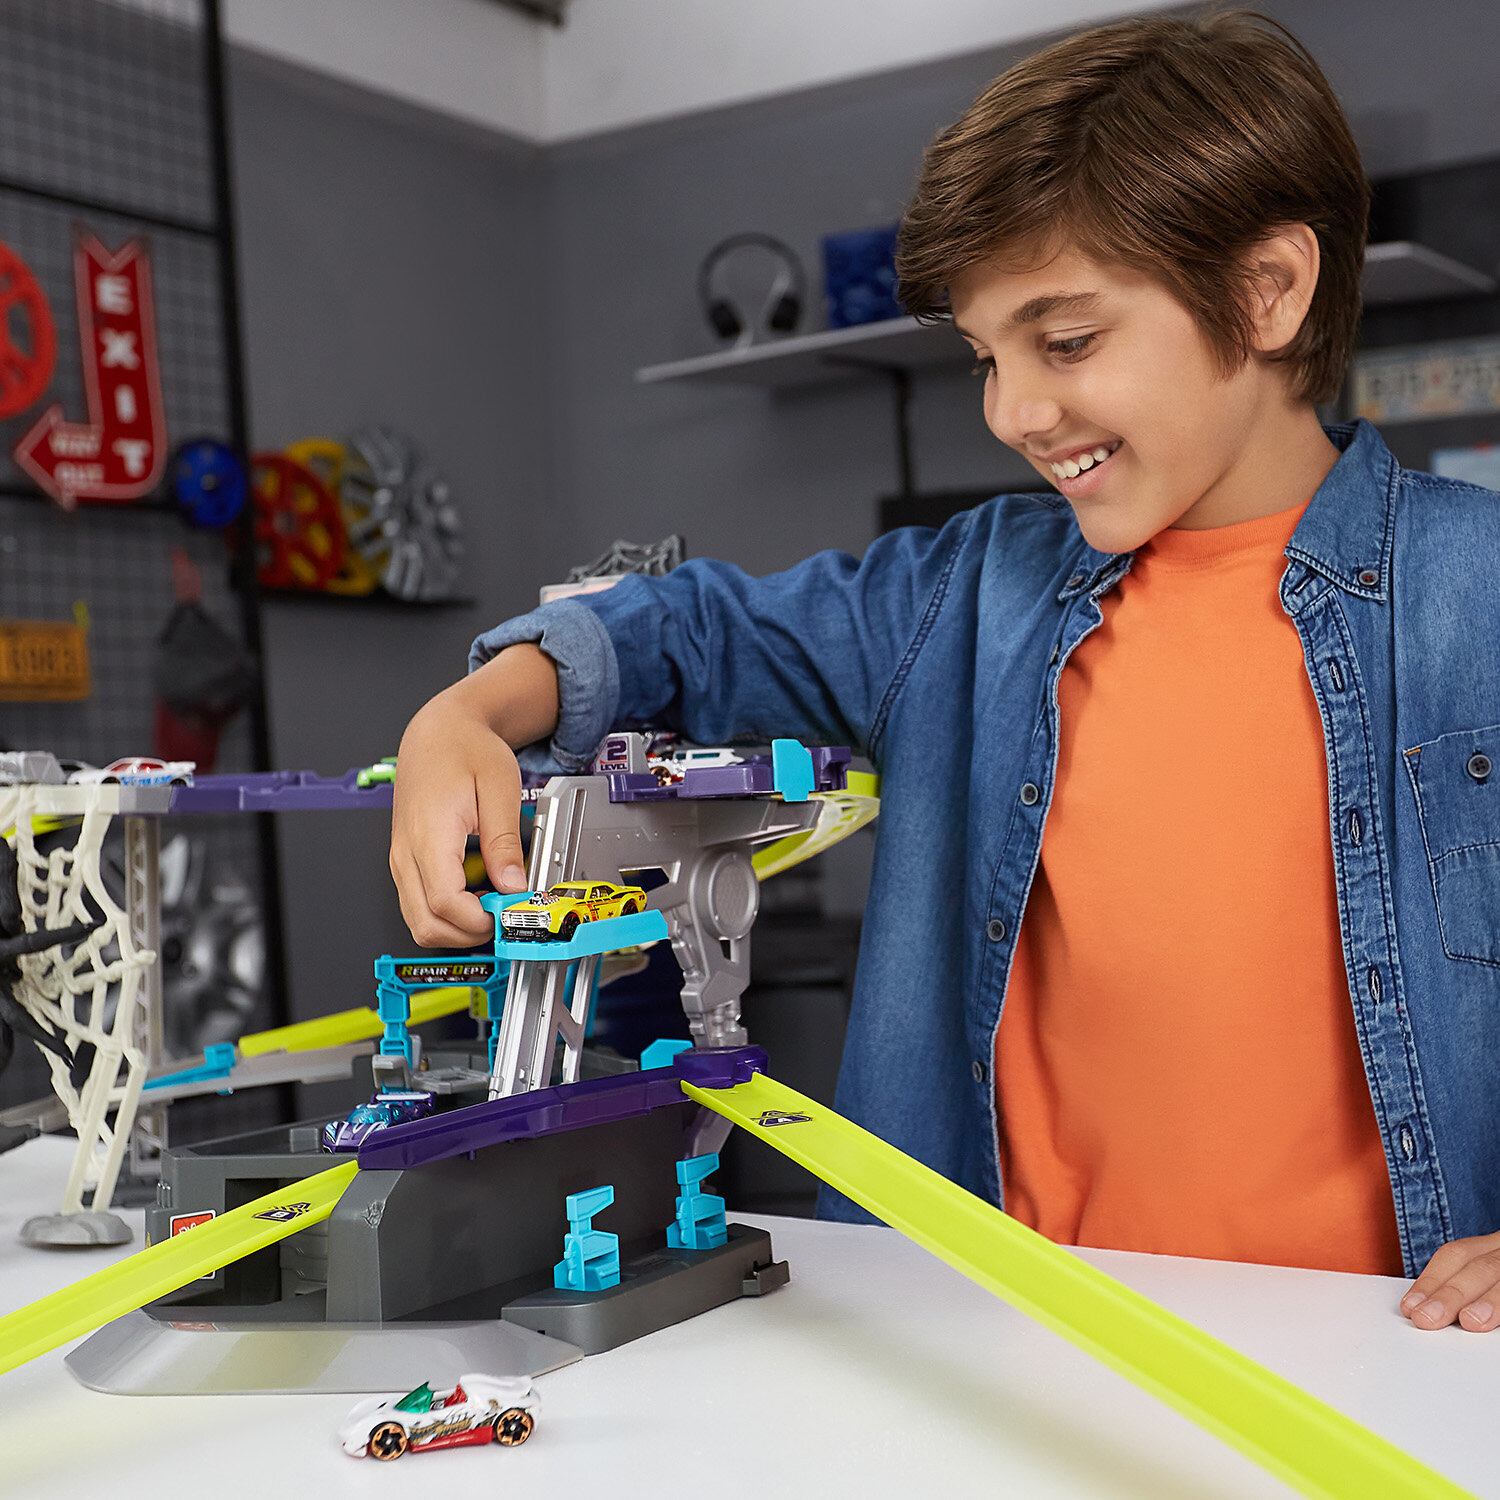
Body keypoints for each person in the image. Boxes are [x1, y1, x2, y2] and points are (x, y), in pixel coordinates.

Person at [391, 13, 1500, 1335]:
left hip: (1382, 1369)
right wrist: (468, 711)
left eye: (1065, 340)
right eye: (986, 357)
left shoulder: (1476, 592)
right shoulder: (959, 596)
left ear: (1267, 290)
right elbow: (689, 628)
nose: (1013, 412)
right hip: (1003, 1343)